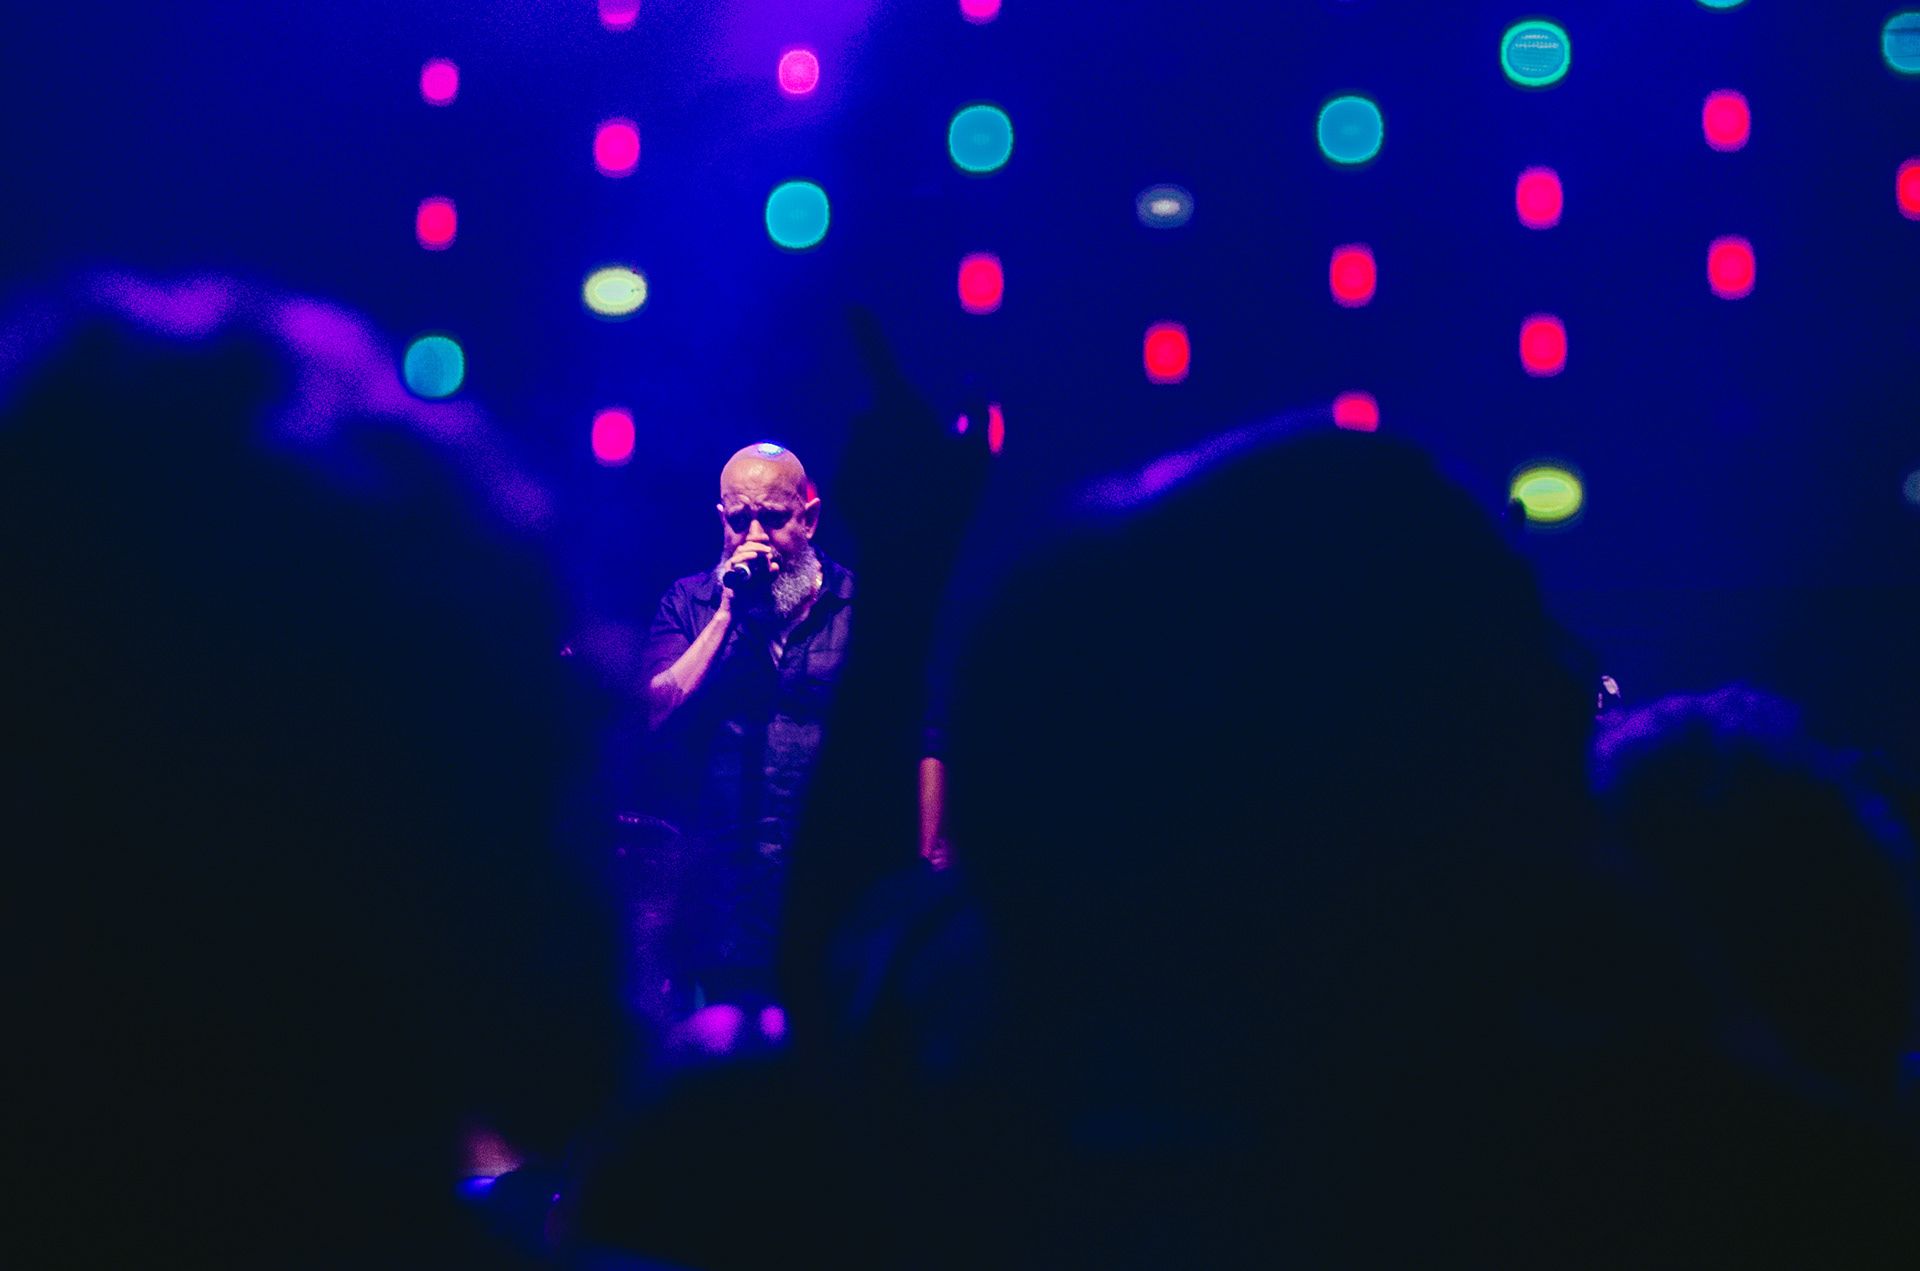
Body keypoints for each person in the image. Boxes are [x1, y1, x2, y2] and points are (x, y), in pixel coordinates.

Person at [636, 441, 854, 1013]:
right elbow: (654, 714)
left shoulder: (855, 604)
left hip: (830, 886)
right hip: (721, 900)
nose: (755, 536)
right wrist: (728, 614)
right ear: (722, 520)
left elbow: (922, 733)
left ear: (809, 518)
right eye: (739, 520)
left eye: (774, 518)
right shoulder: (690, 603)